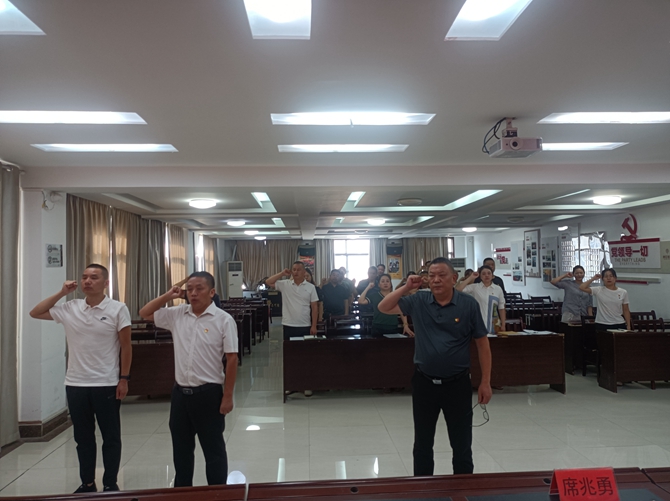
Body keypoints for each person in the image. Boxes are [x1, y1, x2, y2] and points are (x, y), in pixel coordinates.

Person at [378, 258, 492, 476]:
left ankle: (462, 489)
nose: (436, 280)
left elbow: (482, 343)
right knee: (422, 444)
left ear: (454, 278)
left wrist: (485, 381)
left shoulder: (468, 304)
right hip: (425, 383)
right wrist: (406, 287)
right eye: (431, 276)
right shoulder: (419, 300)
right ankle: (423, 489)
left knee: (461, 444)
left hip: (457, 384)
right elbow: (384, 307)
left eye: (441, 275)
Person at [29, 264, 132, 493]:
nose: (87, 281)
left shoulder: (117, 309)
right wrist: (61, 293)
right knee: (83, 438)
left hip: (106, 383)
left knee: (111, 437)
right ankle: (87, 483)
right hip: (76, 384)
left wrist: (124, 378)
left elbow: (126, 347)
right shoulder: (70, 308)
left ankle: (110, 483)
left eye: (94, 277)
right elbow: (35, 312)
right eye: (84, 277)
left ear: (106, 283)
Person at [139, 272, 238, 487]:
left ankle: (218, 493)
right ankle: (183, 492)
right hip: (180, 395)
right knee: (181, 450)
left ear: (211, 292)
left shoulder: (223, 319)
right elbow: (145, 313)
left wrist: (228, 396)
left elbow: (232, 359)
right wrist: (168, 295)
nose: (193, 293)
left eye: (199, 288)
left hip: (209, 394)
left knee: (213, 450)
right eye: (190, 289)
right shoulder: (177, 314)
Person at [265, 262, 319, 339]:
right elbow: (268, 282)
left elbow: (314, 307)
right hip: (288, 324)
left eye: (298, 270)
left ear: (304, 272)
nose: (296, 272)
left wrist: (314, 325)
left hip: (305, 324)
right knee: (289, 346)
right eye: (294, 270)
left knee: (304, 346)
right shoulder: (285, 284)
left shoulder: (311, 287)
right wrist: (282, 273)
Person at [456, 266, 506, 333]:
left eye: (489, 273)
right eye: (483, 274)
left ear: (492, 276)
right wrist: (471, 277)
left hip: (494, 324)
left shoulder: (498, 289)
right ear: (480, 276)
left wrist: (503, 324)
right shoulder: (475, 287)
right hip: (478, 322)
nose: (486, 275)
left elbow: (501, 308)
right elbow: (457, 290)